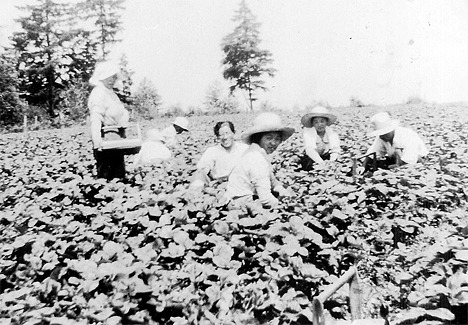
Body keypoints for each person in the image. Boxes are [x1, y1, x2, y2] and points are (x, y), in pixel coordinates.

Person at [224, 112, 295, 209]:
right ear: (258, 138)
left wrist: (281, 190)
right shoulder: (256, 158)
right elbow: (266, 199)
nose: (273, 143)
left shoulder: (257, 152)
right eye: (268, 138)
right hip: (242, 204)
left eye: (277, 139)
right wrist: (287, 208)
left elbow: (272, 180)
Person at [88, 61, 129, 180]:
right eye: (109, 77)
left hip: (116, 138)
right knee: (107, 176)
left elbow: (122, 111)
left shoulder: (112, 94)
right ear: (102, 77)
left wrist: (124, 119)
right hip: (105, 139)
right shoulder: (98, 93)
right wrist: (97, 142)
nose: (112, 80)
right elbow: (96, 118)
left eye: (114, 77)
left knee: (119, 174)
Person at [190, 121, 248, 189]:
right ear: (217, 137)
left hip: (242, 184)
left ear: (233, 133)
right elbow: (202, 169)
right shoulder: (212, 151)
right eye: (221, 135)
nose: (225, 137)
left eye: (227, 133)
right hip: (220, 186)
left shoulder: (244, 148)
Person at [363, 111, 429, 171]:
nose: (381, 136)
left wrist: (392, 170)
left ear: (390, 130)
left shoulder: (407, 136)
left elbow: (409, 160)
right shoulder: (382, 137)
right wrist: (363, 167)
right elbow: (372, 154)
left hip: (417, 161)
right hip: (397, 160)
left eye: (383, 133)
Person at [299, 106, 340, 170]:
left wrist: (332, 162)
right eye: (316, 122)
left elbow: (335, 150)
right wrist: (321, 163)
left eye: (322, 121)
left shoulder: (332, 133)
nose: (319, 124)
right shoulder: (308, 133)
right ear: (313, 123)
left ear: (326, 122)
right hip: (312, 159)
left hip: (326, 158)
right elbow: (310, 150)